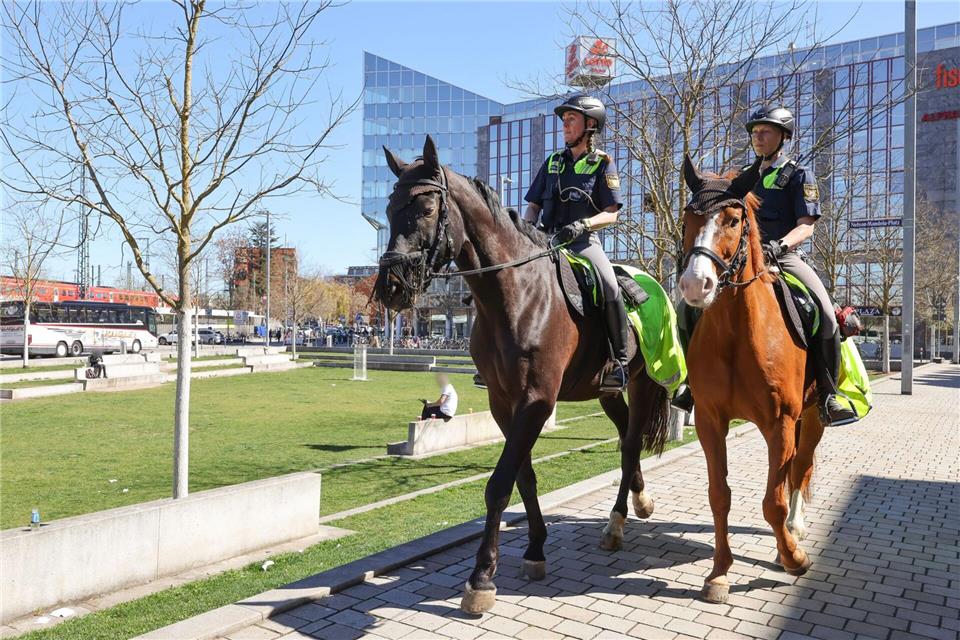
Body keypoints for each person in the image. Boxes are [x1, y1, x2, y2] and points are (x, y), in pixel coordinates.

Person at [673, 105, 856, 427]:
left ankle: (828, 394)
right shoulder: (742, 178)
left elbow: (807, 225)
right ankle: (691, 383)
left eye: (765, 131)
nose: (758, 136)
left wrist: (780, 245)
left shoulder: (798, 175)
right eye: (755, 132)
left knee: (825, 313)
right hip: (739, 260)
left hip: (784, 257)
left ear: (783, 136)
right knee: (686, 309)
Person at [523, 93, 629, 392]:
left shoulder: (602, 164)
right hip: (546, 240)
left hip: (583, 242)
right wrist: (527, 228)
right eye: (564, 120)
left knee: (609, 284)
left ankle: (619, 361)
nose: (565, 125)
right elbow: (533, 205)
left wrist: (583, 224)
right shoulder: (553, 162)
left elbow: (611, 215)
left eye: (571, 120)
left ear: (590, 125)